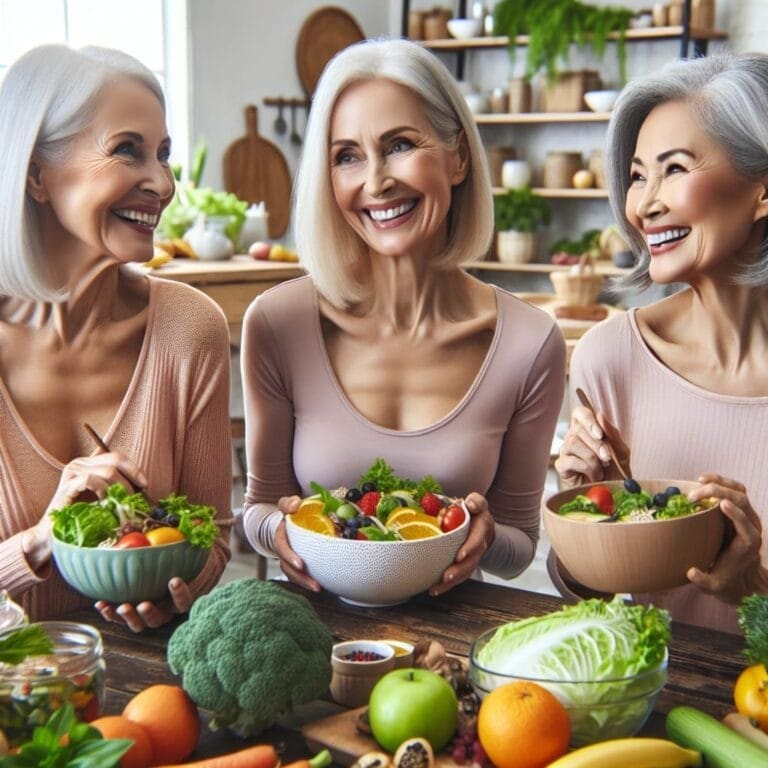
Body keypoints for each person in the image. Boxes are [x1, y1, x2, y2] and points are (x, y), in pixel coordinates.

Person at [240, 38, 566, 594]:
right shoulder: (277, 324)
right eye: (347, 156)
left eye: (399, 145)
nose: (375, 181)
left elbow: (519, 546)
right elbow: (257, 509)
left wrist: (485, 537)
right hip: (316, 637)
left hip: (454, 647)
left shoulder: (529, 344)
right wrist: (281, 528)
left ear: (459, 157)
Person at [0, 44, 232, 631]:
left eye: (163, 155)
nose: (161, 182)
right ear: (35, 174)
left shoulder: (190, 330)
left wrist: (175, 591)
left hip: (145, 697)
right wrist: (42, 541)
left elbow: (215, 540)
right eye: (126, 150)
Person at [555, 51, 768, 633]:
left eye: (674, 168)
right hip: (646, 710)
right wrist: (584, 512)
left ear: (762, 189)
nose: (644, 205)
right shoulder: (610, 358)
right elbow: (597, 608)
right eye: (637, 175)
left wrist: (754, 591)